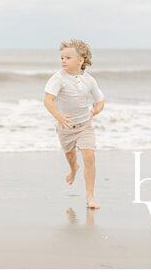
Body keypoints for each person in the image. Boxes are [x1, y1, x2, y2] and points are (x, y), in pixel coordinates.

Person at [44, 39, 106, 209]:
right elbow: (48, 100)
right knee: (71, 156)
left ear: (80, 60)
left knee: (89, 157)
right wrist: (60, 118)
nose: (63, 60)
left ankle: (90, 197)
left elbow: (100, 100)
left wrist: (96, 110)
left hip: (85, 125)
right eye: (62, 57)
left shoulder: (89, 80)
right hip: (66, 128)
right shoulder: (58, 78)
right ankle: (73, 169)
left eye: (68, 57)